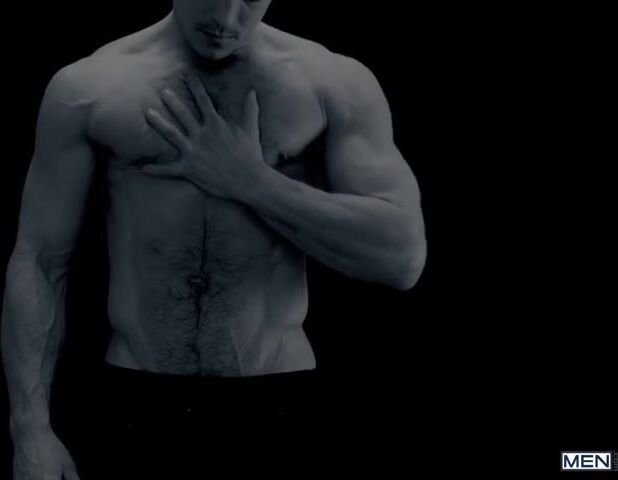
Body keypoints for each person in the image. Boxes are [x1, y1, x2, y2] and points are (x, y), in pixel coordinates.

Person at [2, 1, 426, 478]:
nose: (225, 20)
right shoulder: (88, 87)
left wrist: (251, 181)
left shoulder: (332, 84)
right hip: (135, 405)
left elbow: (401, 258)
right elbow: (40, 261)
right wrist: (30, 428)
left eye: (247, 0)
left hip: (279, 404)